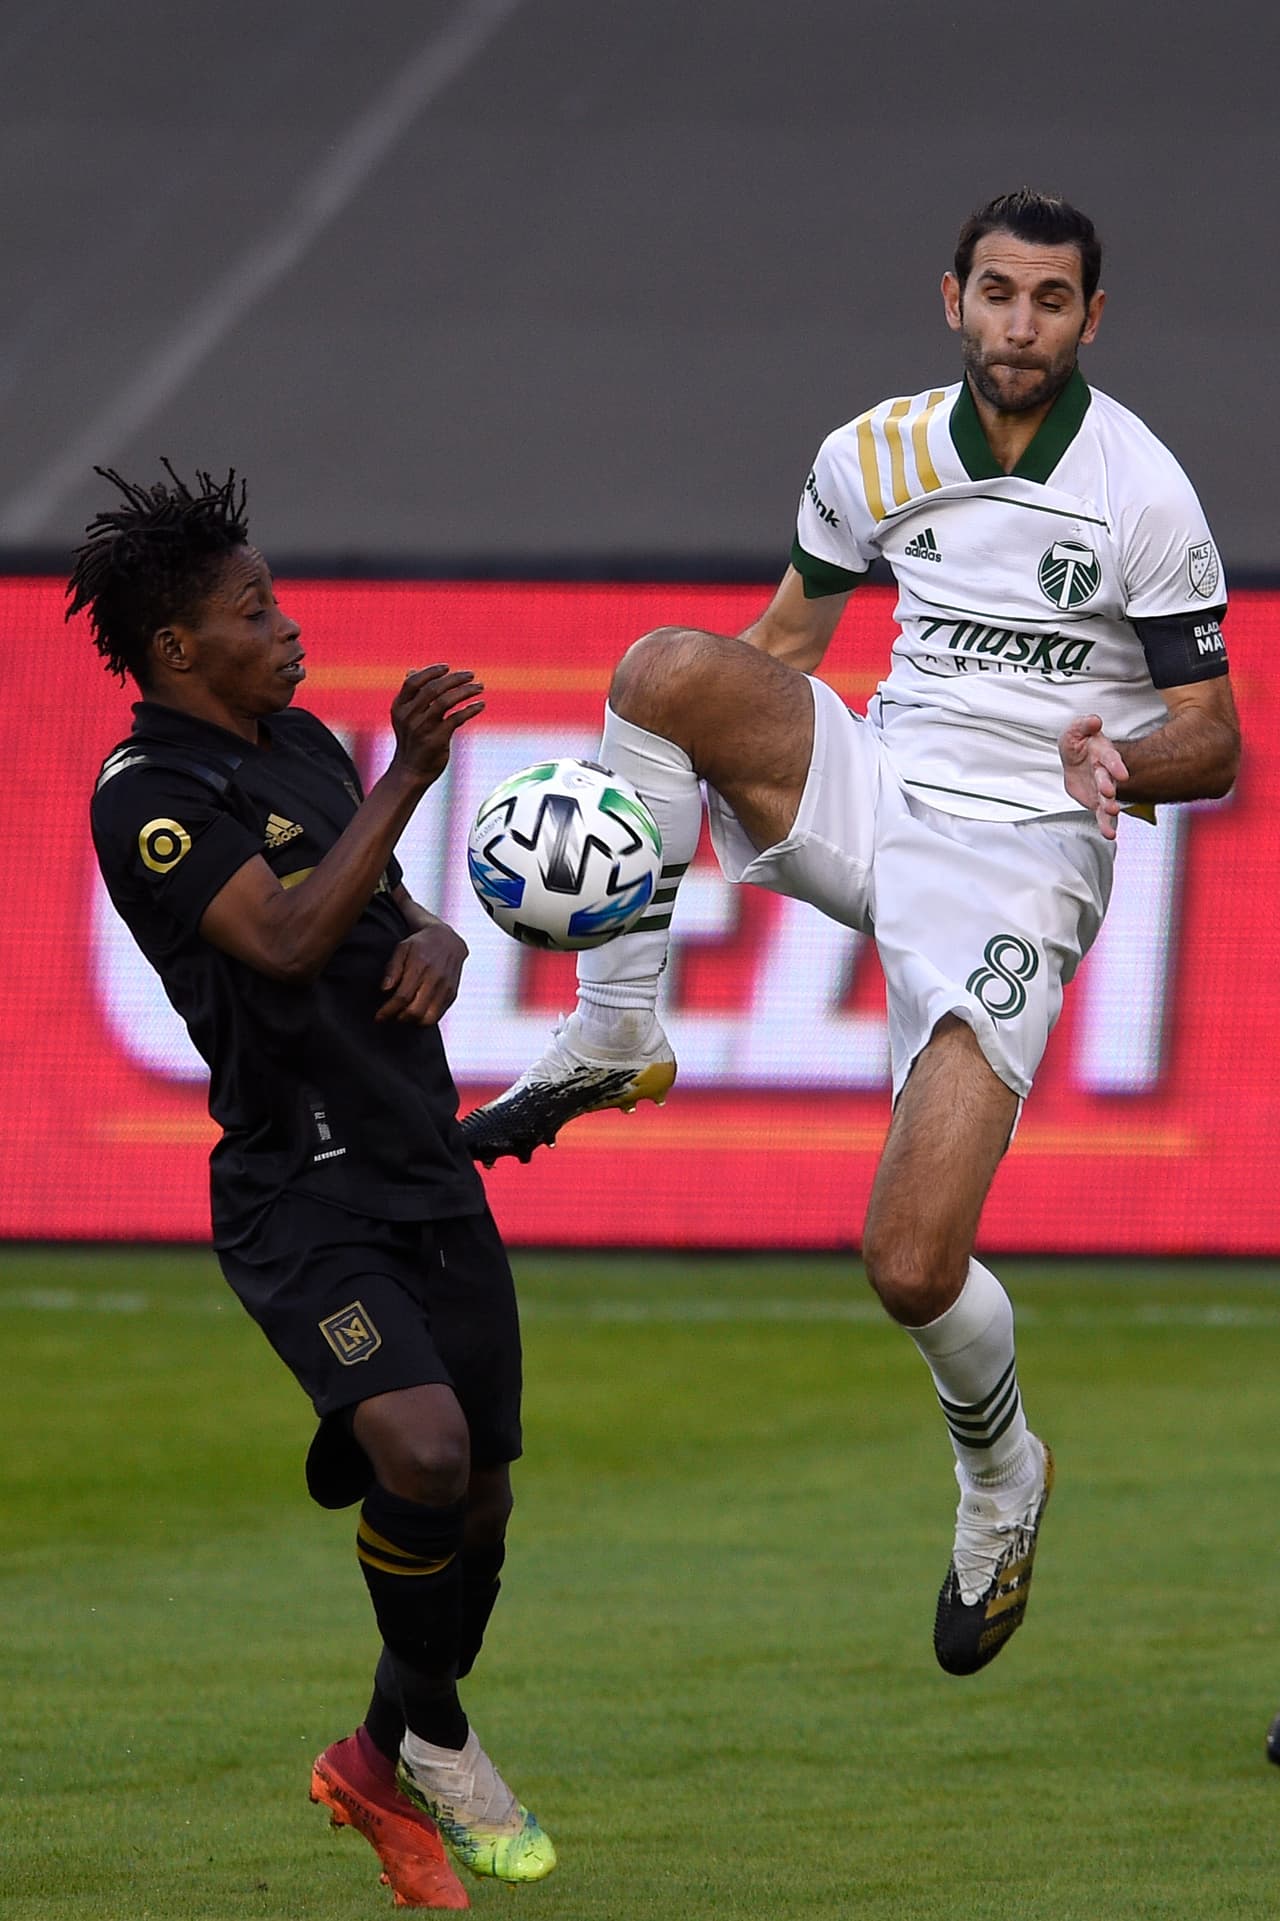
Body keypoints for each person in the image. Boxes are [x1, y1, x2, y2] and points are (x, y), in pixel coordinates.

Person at [462, 189, 1241, 1677]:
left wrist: (1126, 765)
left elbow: (1218, 736)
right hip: (883, 783)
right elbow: (784, 650)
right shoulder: (868, 453)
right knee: (662, 668)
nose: (1022, 323)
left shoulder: (1140, 492)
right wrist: (646, 797)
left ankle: (1003, 1475)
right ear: (948, 297)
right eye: (998, 293)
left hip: (1023, 855)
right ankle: (618, 1028)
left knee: (907, 1261)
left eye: (1052, 300)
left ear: (1092, 319)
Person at [77, 465, 556, 1910]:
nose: (286, 627)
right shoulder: (147, 797)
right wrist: (411, 772)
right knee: (416, 1451)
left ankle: (378, 1748)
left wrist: (451, 945)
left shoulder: (303, 748)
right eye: (254, 609)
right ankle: (442, 1745)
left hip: (425, 1154)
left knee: (477, 1506)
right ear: (178, 649)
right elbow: (282, 937)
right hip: (303, 1189)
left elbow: (386, 904)